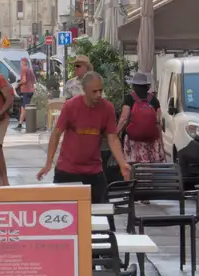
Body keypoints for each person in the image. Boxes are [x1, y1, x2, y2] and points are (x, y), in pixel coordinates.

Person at [39, 70, 130, 205]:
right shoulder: (71, 106)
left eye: (100, 90)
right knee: (64, 215)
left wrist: (122, 163)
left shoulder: (107, 108)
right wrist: (48, 163)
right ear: (84, 90)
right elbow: (56, 134)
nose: (99, 95)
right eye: (94, 91)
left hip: (94, 171)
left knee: (104, 216)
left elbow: (113, 138)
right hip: (67, 170)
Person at [118, 71, 166, 164]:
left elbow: (124, 118)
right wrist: (161, 145)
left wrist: (115, 133)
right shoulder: (154, 100)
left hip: (134, 142)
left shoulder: (129, 98)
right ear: (147, 86)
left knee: (135, 167)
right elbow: (158, 122)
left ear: (134, 85)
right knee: (151, 167)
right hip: (152, 141)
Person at [17, 59, 37, 132]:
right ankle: (20, 123)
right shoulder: (30, 70)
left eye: (20, 63)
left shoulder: (23, 69)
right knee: (24, 107)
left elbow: (24, 80)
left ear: (22, 63)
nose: (20, 65)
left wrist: (18, 84)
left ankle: (23, 124)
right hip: (31, 91)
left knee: (24, 108)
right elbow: (34, 80)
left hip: (26, 90)